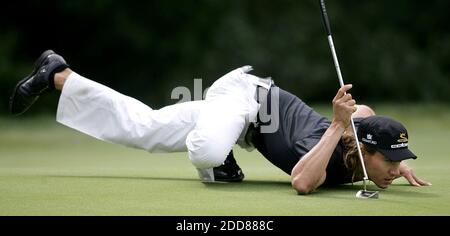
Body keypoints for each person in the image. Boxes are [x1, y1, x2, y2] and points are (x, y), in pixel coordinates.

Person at [9, 50, 430, 195]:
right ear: (365, 150)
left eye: (397, 161)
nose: (394, 168)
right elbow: (303, 183)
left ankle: (58, 74)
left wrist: (396, 155)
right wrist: (339, 125)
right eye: (389, 160)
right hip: (245, 99)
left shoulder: (364, 142)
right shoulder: (333, 147)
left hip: (243, 123)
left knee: (145, 128)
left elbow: (367, 115)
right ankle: (221, 161)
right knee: (207, 151)